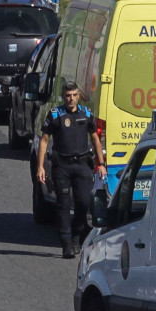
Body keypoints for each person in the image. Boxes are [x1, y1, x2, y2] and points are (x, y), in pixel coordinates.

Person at [36, 81, 106, 258]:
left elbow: (95, 139)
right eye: (68, 95)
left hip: (82, 165)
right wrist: (40, 167)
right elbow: (44, 141)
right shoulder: (55, 115)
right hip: (62, 166)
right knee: (63, 204)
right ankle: (66, 243)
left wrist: (101, 163)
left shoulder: (86, 114)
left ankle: (76, 235)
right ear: (63, 96)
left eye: (74, 95)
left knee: (83, 203)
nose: (71, 99)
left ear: (78, 96)